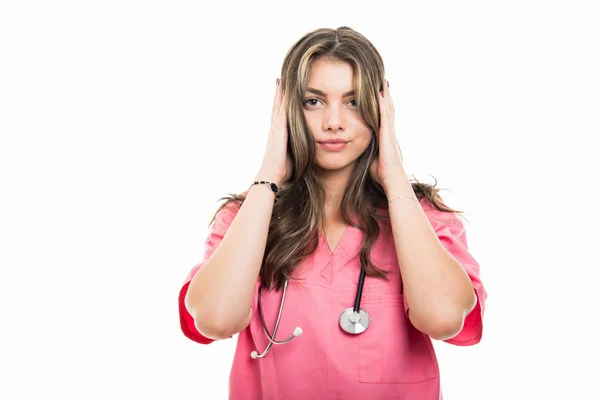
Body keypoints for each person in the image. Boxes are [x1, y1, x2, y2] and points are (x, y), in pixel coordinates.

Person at [178, 26, 487, 400]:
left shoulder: (422, 217)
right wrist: (269, 174)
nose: (334, 122)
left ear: (380, 110)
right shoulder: (247, 217)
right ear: (287, 110)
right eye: (314, 101)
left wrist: (394, 177)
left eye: (354, 101)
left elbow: (443, 318)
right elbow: (214, 319)